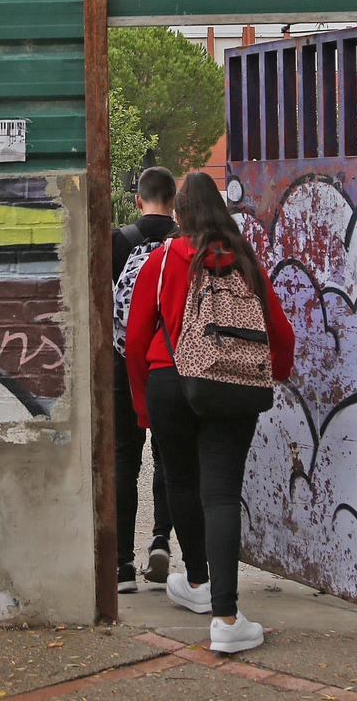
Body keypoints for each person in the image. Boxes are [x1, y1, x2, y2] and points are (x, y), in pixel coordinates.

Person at [124, 171, 295, 654]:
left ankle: (196, 583)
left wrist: (143, 402)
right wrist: (268, 374)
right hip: (228, 383)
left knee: (179, 481)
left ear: (178, 215)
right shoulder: (245, 262)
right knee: (220, 494)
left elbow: (136, 339)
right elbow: (281, 336)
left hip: (166, 380)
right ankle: (225, 617)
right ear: (222, 213)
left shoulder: (160, 261)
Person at [110, 167, 177, 594]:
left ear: (139, 199)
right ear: (173, 201)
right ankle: (160, 540)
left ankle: (120, 565)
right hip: (170, 363)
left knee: (123, 458)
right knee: (170, 456)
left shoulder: (118, 241)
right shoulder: (182, 245)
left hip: (123, 363)